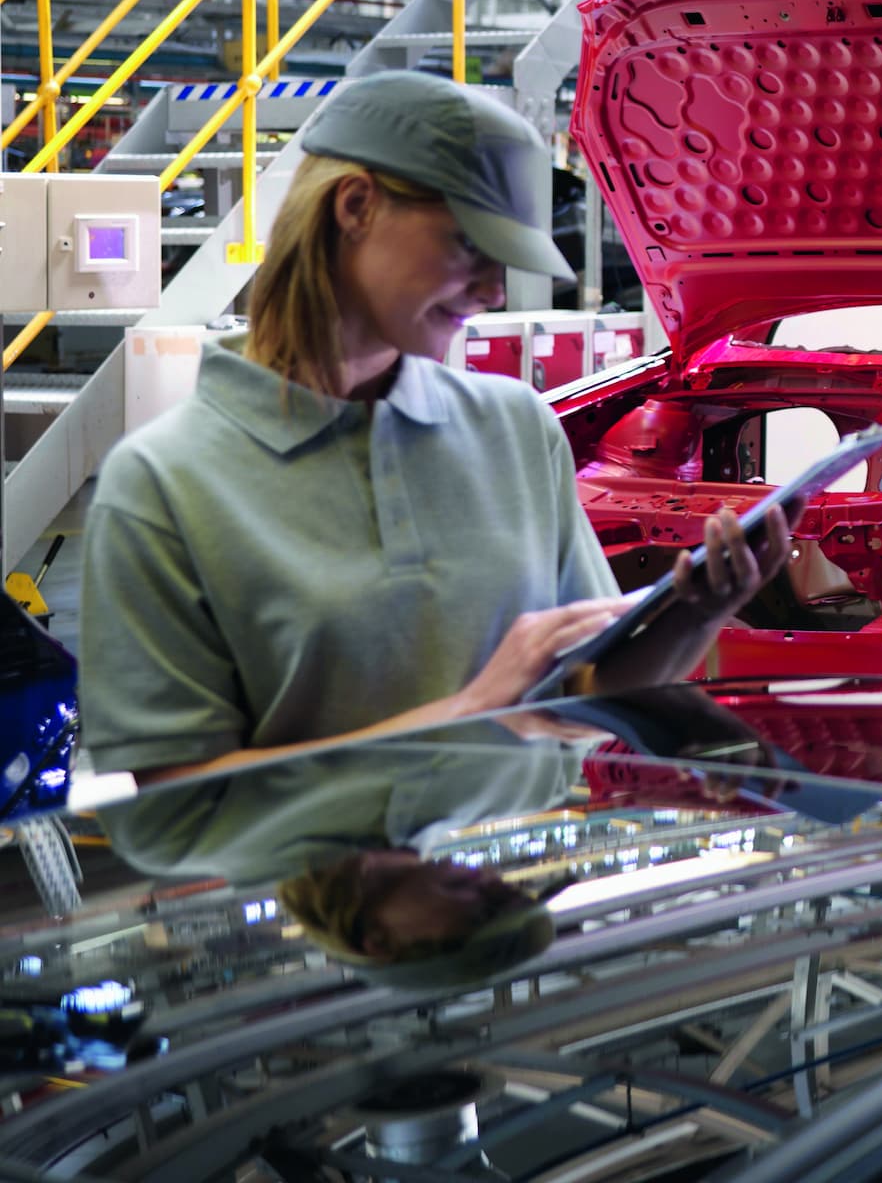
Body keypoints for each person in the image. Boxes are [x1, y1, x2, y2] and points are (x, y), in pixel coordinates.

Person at [77, 72, 792, 784]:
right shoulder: (165, 483)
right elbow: (175, 796)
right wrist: (475, 710)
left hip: (516, 880)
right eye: (467, 247)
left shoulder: (513, 430)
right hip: (319, 891)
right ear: (354, 205)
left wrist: (695, 613)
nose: (490, 291)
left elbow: (580, 693)